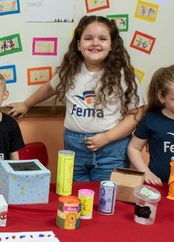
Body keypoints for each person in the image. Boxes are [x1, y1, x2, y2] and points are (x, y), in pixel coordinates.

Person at [9, 15, 144, 182]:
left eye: (102, 38)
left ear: (112, 45)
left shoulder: (123, 75)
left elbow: (135, 114)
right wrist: (26, 104)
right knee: (74, 196)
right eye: (88, 38)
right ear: (79, 45)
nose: (95, 43)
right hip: (74, 148)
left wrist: (107, 137)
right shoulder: (70, 71)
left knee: (106, 196)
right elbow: (50, 87)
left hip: (111, 147)